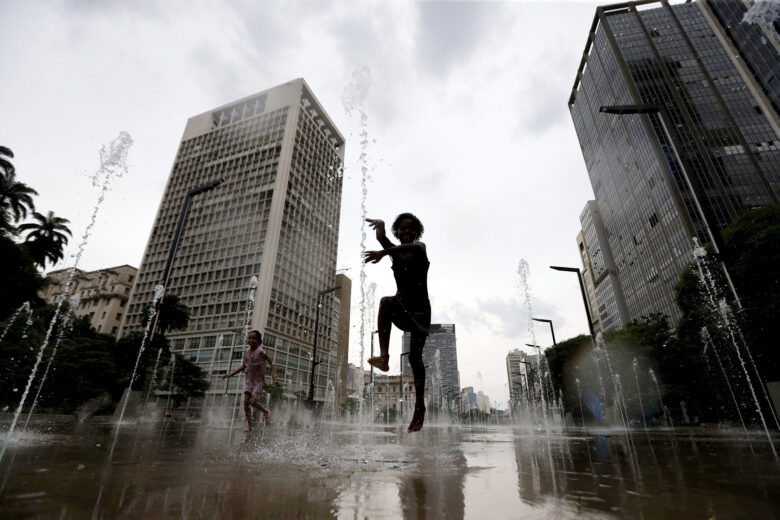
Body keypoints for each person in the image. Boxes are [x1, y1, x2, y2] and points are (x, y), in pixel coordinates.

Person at [364, 213, 430, 433]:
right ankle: (384, 357)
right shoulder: (395, 253)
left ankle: (419, 406)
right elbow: (383, 240)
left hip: (420, 312)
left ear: (416, 231)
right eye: (402, 229)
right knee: (385, 302)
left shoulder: (420, 248)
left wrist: (384, 252)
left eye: (410, 229)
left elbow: (395, 249)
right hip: (402, 306)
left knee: (414, 357)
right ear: (397, 231)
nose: (406, 232)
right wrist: (381, 227)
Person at [223, 330, 276, 432]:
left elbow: (271, 363)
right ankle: (250, 426)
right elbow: (244, 366)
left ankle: (265, 412)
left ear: (259, 340)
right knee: (245, 403)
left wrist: (273, 373)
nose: (251, 340)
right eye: (250, 338)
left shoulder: (261, 352)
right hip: (249, 379)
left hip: (258, 380)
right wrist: (230, 374)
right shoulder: (246, 352)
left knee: (252, 401)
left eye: (254, 338)